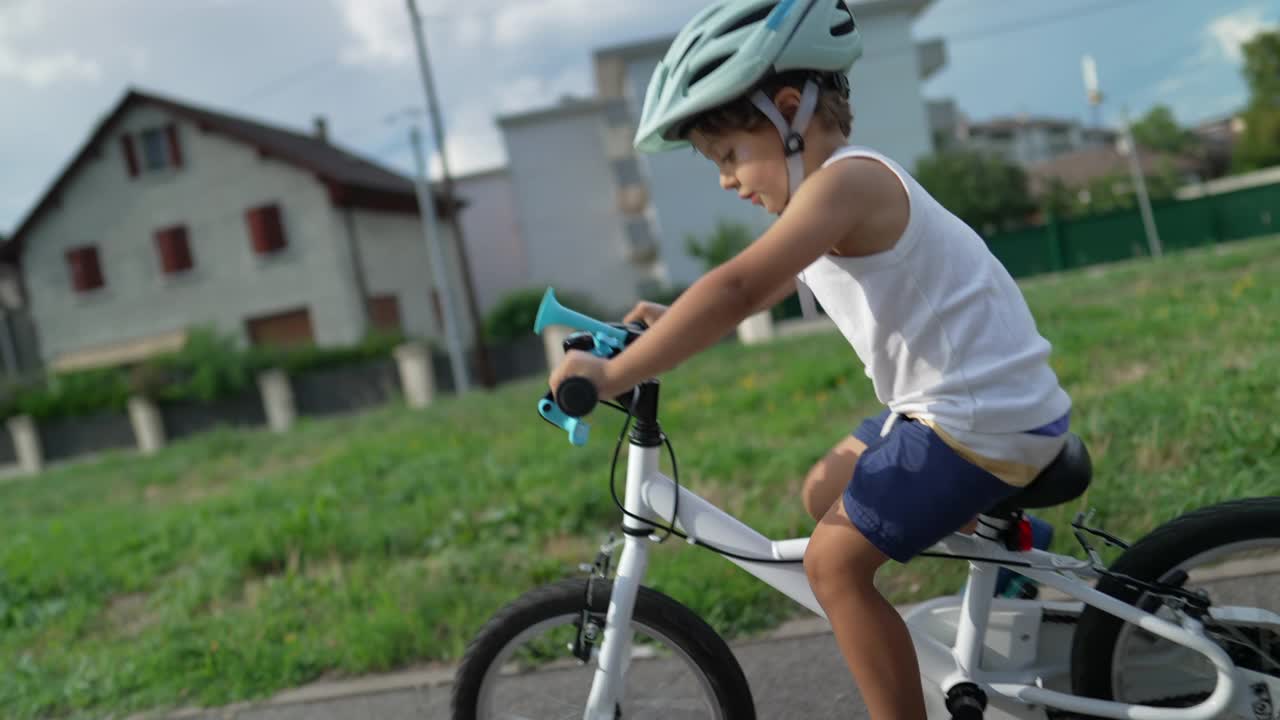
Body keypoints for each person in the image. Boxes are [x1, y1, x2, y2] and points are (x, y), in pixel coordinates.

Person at [547, 1, 1072, 716]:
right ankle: (1012, 553)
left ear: (790, 110)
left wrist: (612, 374)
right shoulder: (830, 198)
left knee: (832, 565)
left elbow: (739, 287)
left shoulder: (847, 185)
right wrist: (668, 323)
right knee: (824, 491)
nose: (728, 180)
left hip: (977, 419)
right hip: (953, 408)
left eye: (730, 155)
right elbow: (763, 289)